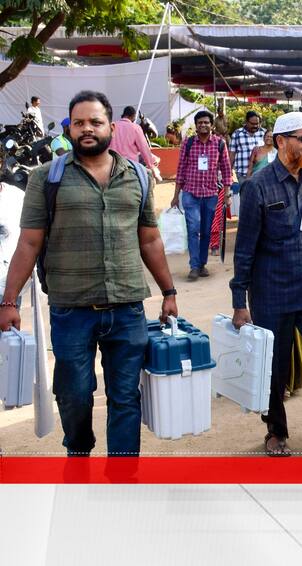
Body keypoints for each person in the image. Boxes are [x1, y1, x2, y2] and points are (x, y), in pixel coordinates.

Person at [0, 90, 178, 457]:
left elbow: (150, 241)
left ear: (110, 127)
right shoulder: (45, 178)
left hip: (127, 309)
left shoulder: (140, 177)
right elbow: (28, 244)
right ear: (70, 127)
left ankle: (122, 477)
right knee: (75, 395)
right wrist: (9, 301)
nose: (87, 129)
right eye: (79, 122)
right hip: (71, 310)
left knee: (126, 397)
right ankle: (79, 457)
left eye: (95, 122)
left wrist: (169, 292)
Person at [229, 111, 302, 457]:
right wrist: (240, 302)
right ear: (281, 141)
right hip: (273, 294)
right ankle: (276, 431)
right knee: (274, 369)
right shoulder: (257, 186)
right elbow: (245, 250)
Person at [171, 111, 232, 281]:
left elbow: (227, 170)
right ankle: (194, 266)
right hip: (191, 193)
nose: (203, 125)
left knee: (206, 230)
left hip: (211, 194)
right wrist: (176, 195)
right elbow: (181, 169)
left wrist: (227, 193)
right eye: (200, 122)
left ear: (211, 125)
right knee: (193, 228)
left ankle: (202, 264)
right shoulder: (188, 143)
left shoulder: (219, 144)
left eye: (206, 122)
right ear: (196, 125)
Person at [109, 106, 158, 178]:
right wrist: (152, 166)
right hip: (130, 168)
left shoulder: (112, 126)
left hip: (112, 167)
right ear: (133, 116)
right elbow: (144, 148)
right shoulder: (135, 128)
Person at [229, 111, 265, 182]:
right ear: (246, 122)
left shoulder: (264, 133)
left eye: (257, 124)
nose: (255, 126)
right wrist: (229, 170)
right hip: (242, 174)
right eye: (252, 124)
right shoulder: (237, 134)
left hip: (260, 173)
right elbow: (232, 154)